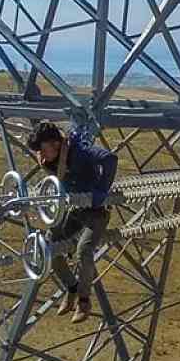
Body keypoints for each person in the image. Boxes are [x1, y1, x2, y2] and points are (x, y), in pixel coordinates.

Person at [26, 122, 118, 323]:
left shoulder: (79, 151)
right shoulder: (52, 160)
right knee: (49, 246)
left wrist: (101, 191)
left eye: (43, 149)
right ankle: (72, 288)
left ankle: (84, 301)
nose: (41, 155)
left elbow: (109, 159)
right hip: (76, 210)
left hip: (96, 212)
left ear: (55, 143)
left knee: (83, 251)